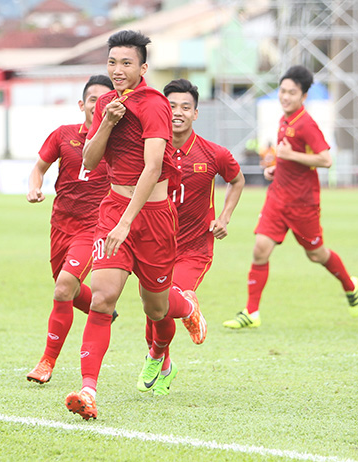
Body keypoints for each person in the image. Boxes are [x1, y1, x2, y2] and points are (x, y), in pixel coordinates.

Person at [64, 30, 207, 421]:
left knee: (157, 307)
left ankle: (186, 305)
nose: (117, 70)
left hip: (153, 218)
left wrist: (129, 221)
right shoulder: (107, 103)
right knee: (102, 298)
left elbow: (154, 166)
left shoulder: (155, 105)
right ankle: (89, 390)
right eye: (112, 62)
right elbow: (90, 161)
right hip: (113, 210)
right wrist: (105, 124)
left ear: (143, 67)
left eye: (126, 63)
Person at [223, 65, 358, 329]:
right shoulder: (284, 119)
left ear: (303, 96)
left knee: (316, 254)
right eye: (282, 91)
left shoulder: (306, 124)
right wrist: (277, 167)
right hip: (278, 198)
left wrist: (288, 157)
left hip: (303, 203)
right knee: (260, 250)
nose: (285, 96)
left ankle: (349, 283)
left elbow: (326, 160)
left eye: (291, 92)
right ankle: (251, 312)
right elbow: (291, 157)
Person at [143, 78, 245, 395]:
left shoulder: (214, 154)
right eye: (171, 106)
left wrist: (224, 218)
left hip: (194, 249)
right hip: (155, 245)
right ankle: (165, 362)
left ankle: (159, 351)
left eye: (185, 107)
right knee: (153, 311)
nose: (178, 112)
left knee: (168, 299)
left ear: (196, 114)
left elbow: (237, 180)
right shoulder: (149, 151)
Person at [25, 75, 114, 384]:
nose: (98, 105)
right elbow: (38, 168)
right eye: (93, 100)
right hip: (61, 224)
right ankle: (103, 307)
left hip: (95, 227)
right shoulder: (63, 135)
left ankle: (46, 363)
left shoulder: (119, 142)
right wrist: (34, 188)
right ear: (82, 104)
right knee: (69, 290)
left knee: (63, 286)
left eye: (106, 100)